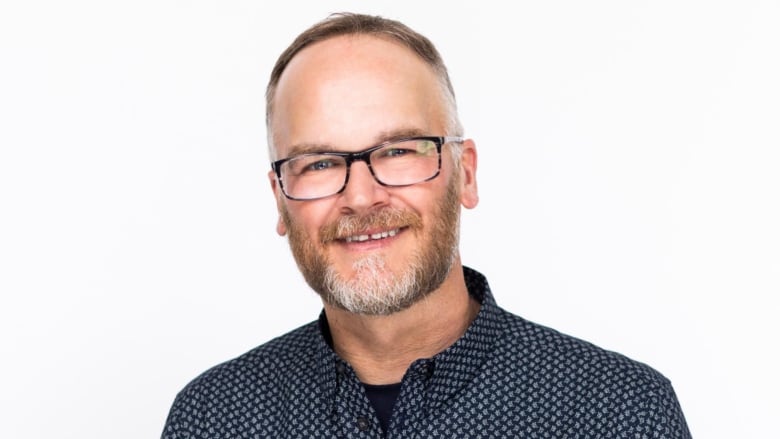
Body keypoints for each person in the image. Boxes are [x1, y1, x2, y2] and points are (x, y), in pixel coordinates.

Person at [162, 12, 691, 438]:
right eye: (319, 163)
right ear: (280, 199)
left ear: (466, 175)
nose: (361, 196)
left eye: (398, 151)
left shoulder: (622, 415)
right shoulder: (210, 419)